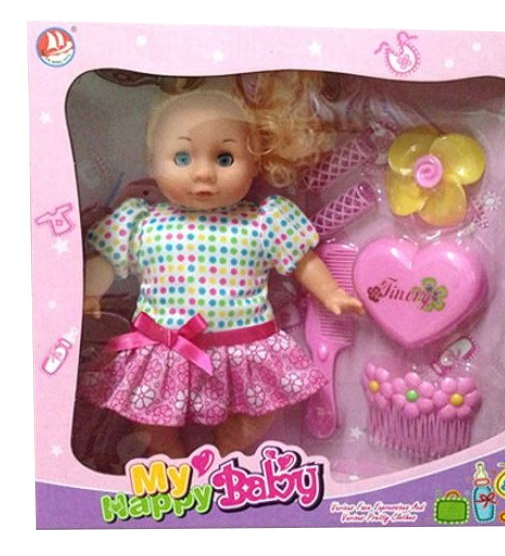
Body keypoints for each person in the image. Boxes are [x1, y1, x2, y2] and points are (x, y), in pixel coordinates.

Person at [80, 73, 364, 458]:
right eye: (182, 158)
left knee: (261, 412)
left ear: (256, 161)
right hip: (164, 351)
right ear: (152, 162)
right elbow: (107, 260)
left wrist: (331, 293)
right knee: (147, 421)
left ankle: (226, 449)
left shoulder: (265, 220)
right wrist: (90, 292)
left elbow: (303, 260)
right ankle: (174, 463)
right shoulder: (141, 221)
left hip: (245, 350)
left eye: (224, 158)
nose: (203, 173)